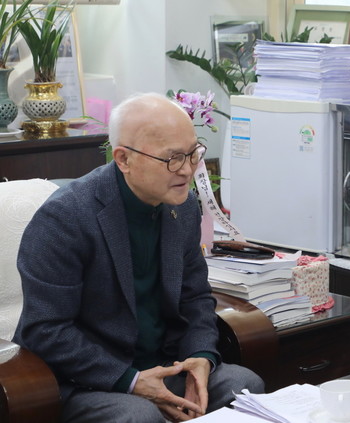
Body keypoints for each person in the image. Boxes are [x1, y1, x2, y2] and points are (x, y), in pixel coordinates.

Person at [13, 92, 264, 423]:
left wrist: (200, 357)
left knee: (244, 387)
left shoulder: (184, 207)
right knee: (139, 416)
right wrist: (131, 381)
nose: (187, 170)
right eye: (172, 158)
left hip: (165, 366)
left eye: (193, 154)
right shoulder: (64, 218)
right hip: (88, 379)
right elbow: (46, 329)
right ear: (123, 159)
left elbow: (196, 298)